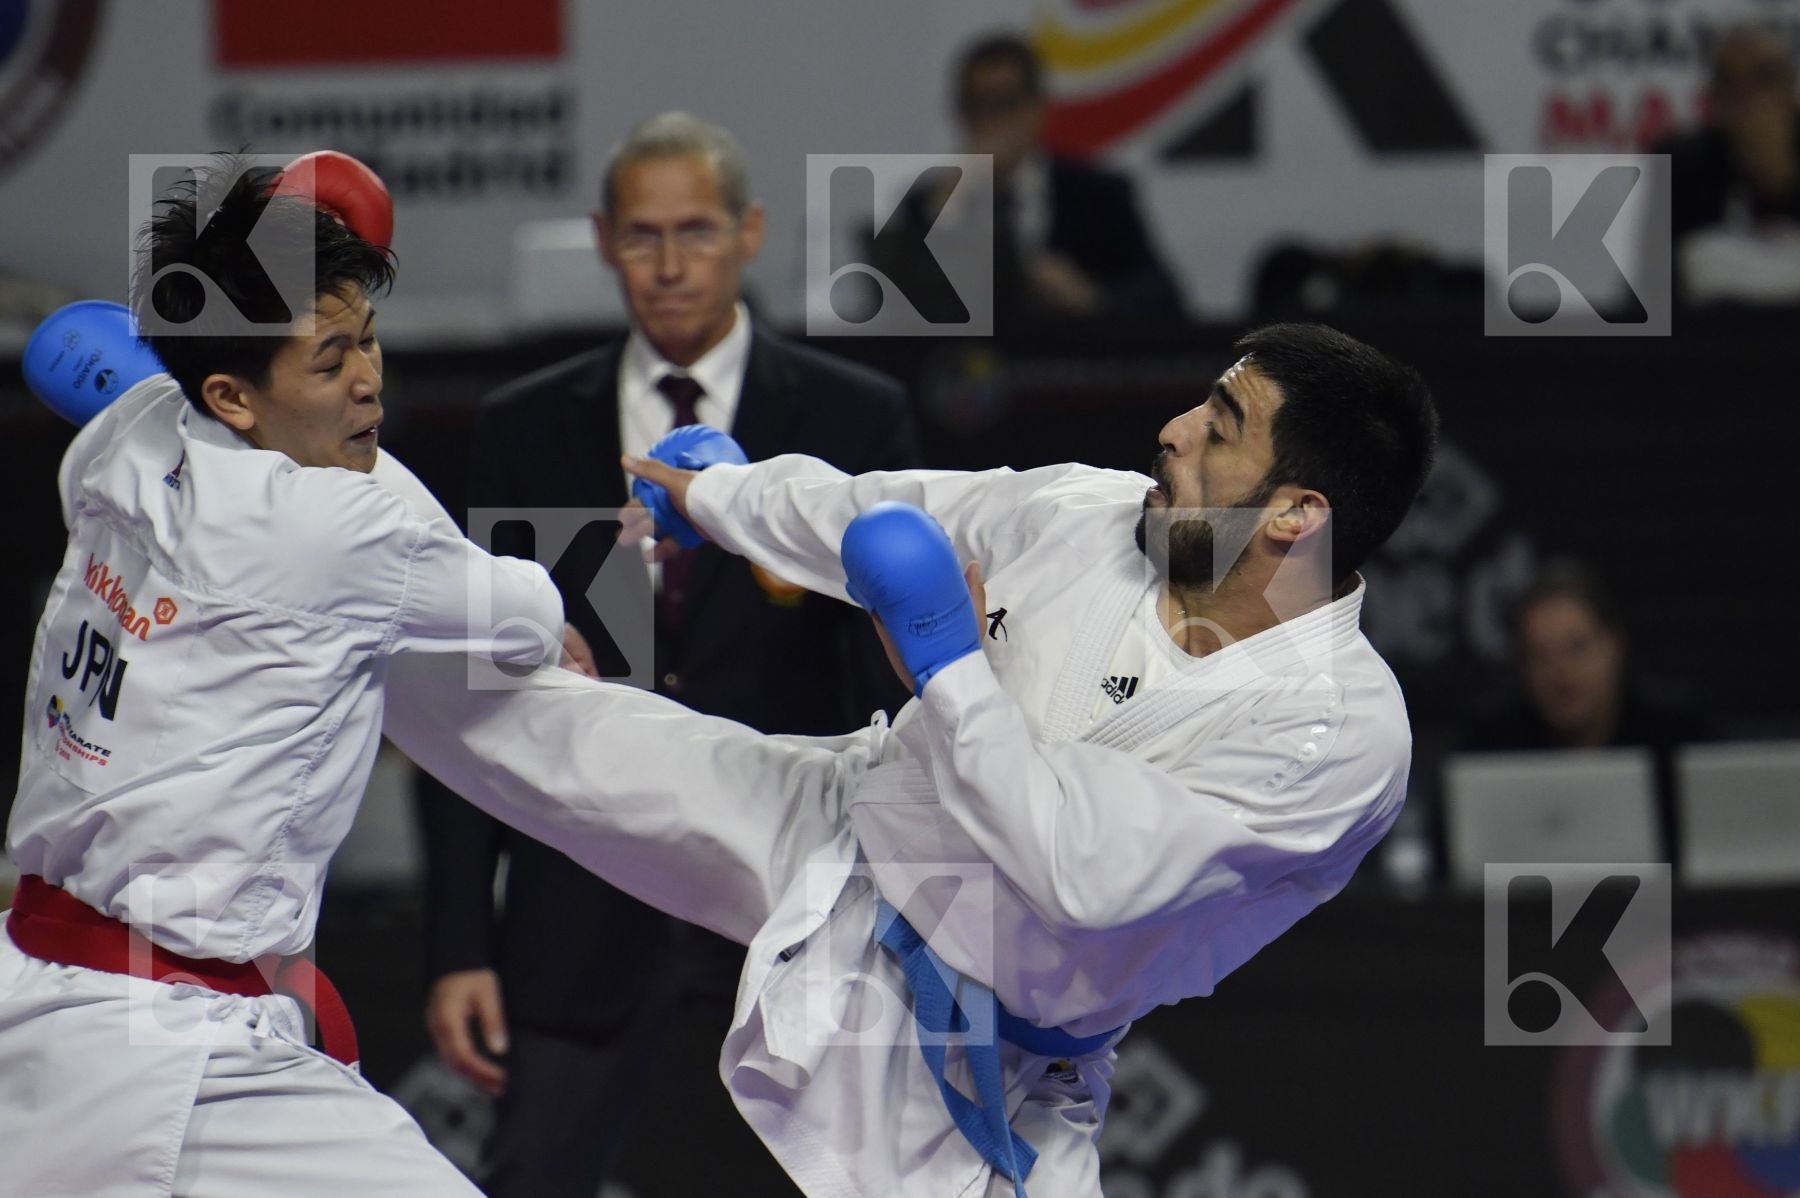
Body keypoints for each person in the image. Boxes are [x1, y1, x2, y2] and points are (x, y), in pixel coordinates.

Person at [380, 322, 1438, 1196]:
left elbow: (1085, 871)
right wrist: (721, 498)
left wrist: (949, 667)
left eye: (1219, 431)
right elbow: (877, 516)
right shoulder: (1087, 513)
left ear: (1298, 513)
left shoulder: (1335, 734)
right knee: (517, 713)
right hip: (842, 828)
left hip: (987, 1058)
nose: (1171, 431)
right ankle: (306, 558)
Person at [0, 158, 563, 1197]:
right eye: (330, 360)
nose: (370, 381)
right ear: (230, 394)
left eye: (370, 341)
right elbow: (529, 617)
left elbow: (93, 355)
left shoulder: (117, 441)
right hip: (171, 1046)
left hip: (38, 995)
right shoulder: (339, 525)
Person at [415, 111, 919, 1197]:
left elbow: (891, 682)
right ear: (603, 241)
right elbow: (474, 694)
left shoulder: (848, 416)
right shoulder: (529, 423)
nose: (670, 263)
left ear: (750, 233)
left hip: (794, 890)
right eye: (643, 235)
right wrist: (461, 940)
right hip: (582, 896)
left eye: (696, 230)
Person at [870, 32, 1183, 323]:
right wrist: (943, 208)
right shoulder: (928, 201)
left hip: (1064, 367)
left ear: (1038, 108)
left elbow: (1163, 293)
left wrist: (1092, 296)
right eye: (976, 105)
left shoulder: (1097, 194)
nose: (991, 121)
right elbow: (886, 304)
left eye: (1006, 103)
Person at [1462, 559, 1712, 871]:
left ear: (1614, 646)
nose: (1561, 673)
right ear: (1521, 667)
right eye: (1541, 656)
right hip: (1525, 917)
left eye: (1577, 648)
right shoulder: (1490, 749)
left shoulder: (1679, 737)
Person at [1653, 25, 1800, 304]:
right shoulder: (1682, 161)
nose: (1746, 95)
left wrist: (1780, 182)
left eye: (1763, 78)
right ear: (1714, 95)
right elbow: (1659, 272)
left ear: (1789, 88)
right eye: (1730, 82)